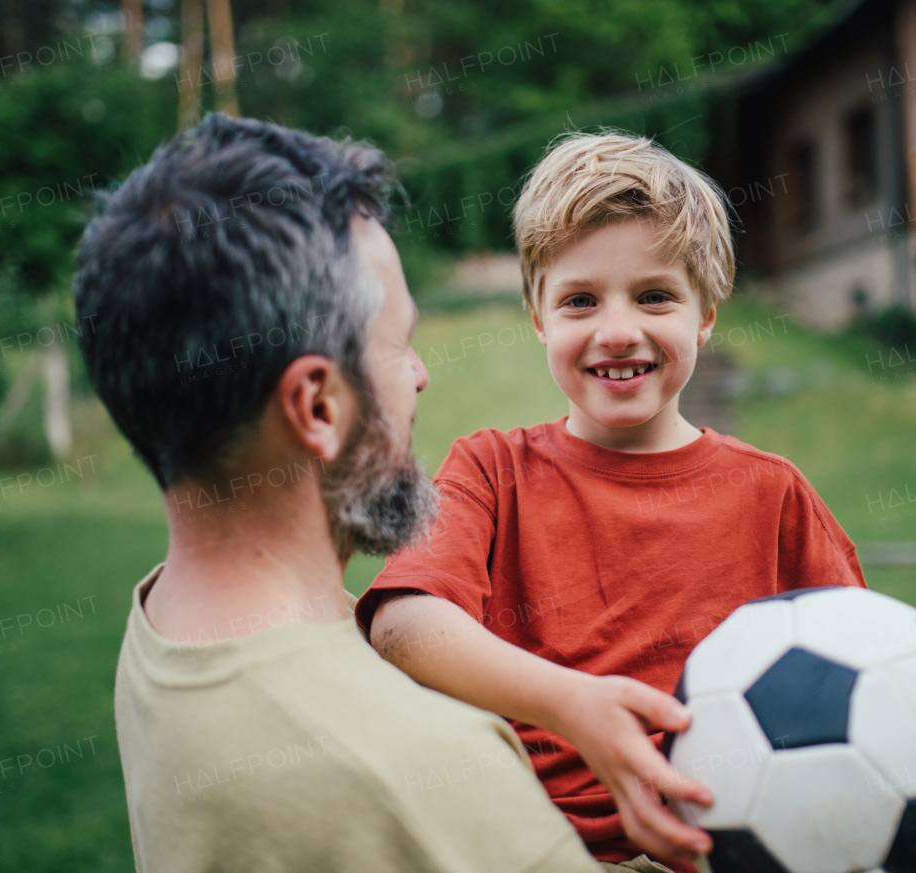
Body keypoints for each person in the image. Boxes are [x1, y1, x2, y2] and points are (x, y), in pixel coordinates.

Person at [72, 115, 600, 873]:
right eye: (399, 344)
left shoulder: (166, 627)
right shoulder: (427, 774)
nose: (419, 374)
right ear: (318, 407)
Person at [358, 133, 868, 873]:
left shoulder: (772, 493)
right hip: (528, 851)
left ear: (706, 314)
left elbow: (855, 673)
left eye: (655, 295)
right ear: (539, 318)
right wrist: (574, 705)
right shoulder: (492, 470)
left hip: (717, 850)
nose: (619, 330)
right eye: (580, 300)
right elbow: (403, 625)